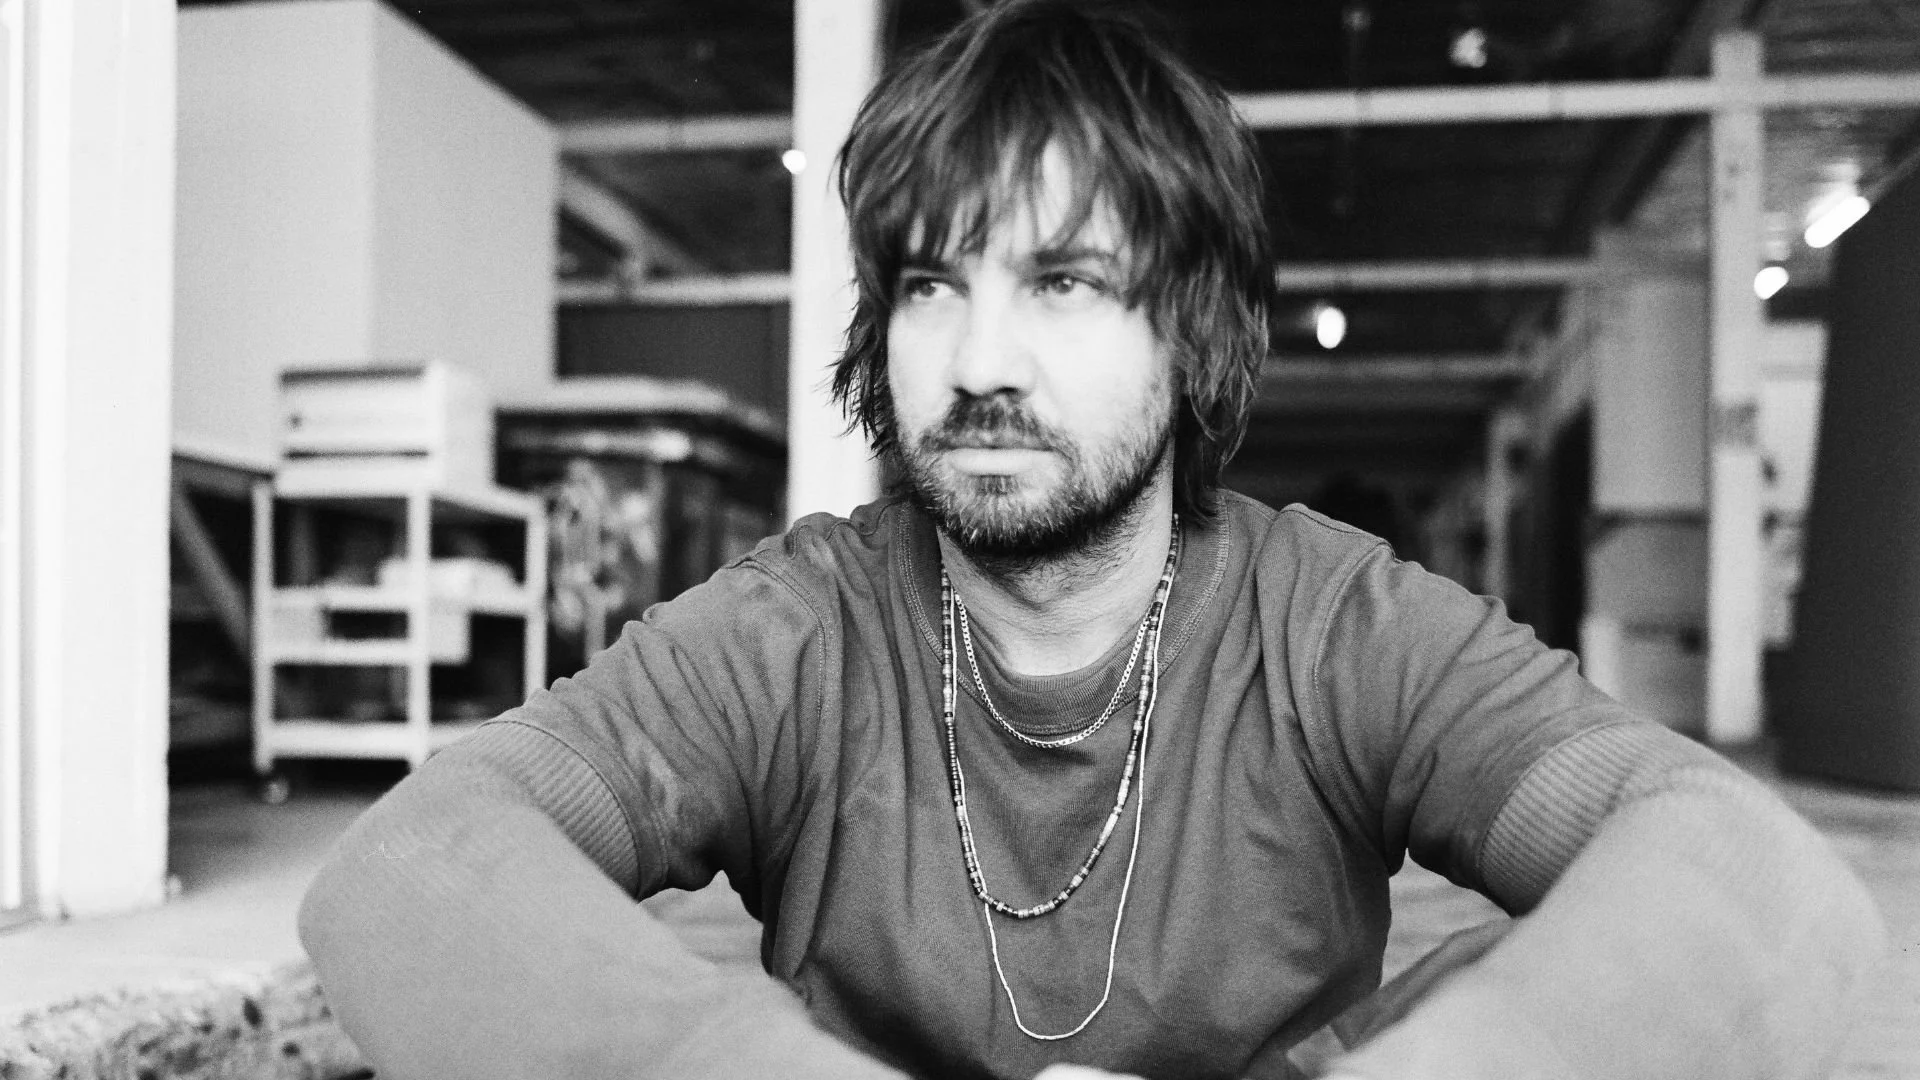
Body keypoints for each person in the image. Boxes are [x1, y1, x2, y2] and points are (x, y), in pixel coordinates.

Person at [298, 3, 1886, 1078]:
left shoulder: (1335, 621)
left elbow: (1754, 874)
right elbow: (413, 867)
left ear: (1191, 334)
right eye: (932, 285)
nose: (979, 358)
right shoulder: (798, 628)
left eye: (1062, 283)